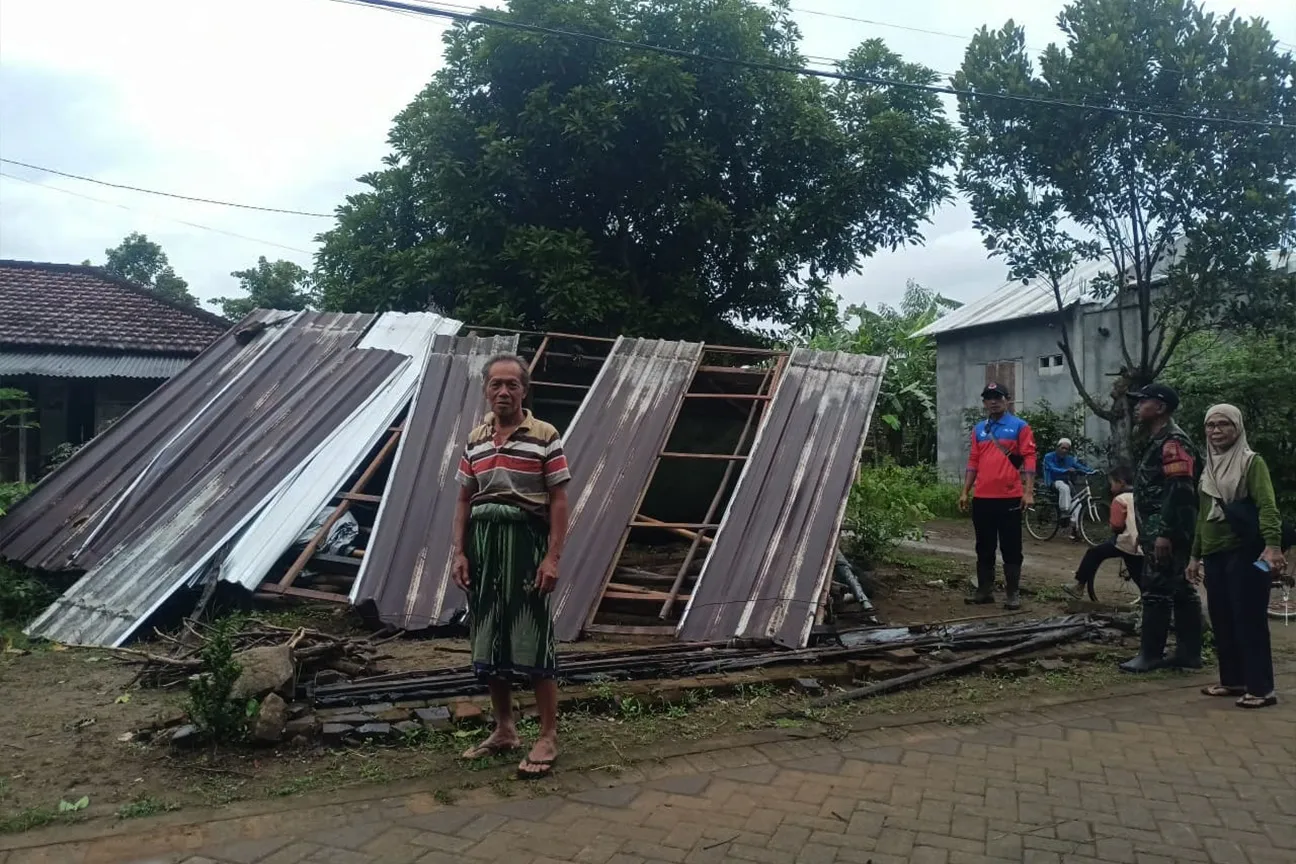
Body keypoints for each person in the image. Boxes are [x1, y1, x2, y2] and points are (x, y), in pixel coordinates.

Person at [452, 354, 571, 778]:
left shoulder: (545, 435)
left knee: (533, 634)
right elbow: (464, 499)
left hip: (525, 544)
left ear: (525, 390)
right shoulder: (475, 438)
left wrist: (552, 558)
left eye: (512, 385)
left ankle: (547, 735)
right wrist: (460, 552)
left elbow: (558, 500)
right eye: (496, 385)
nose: (503, 392)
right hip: (483, 547)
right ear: (486, 389)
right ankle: (504, 729)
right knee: (488, 635)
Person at [1188, 404, 1287, 709]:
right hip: (1216, 554)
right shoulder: (1209, 465)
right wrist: (1195, 556)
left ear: (1238, 428)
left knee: (1249, 620)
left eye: (1223, 424)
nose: (1216, 431)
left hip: (1247, 552)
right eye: (1210, 425)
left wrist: (1272, 546)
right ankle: (1233, 680)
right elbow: (1204, 516)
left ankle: (1262, 689)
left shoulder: (1250, 462)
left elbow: (1268, 506)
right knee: (1223, 618)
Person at [1122, 383, 1202, 673]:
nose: (1137, 406)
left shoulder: (1173, 442)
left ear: (1161, 407)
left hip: (1167, 531)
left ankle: (1151, 655)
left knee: (1156, 590)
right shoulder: (1158, 439)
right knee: (1180, 588)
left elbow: (1179, 489)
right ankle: (1189, 654)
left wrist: (1165, 532)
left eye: (1143, 401)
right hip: (1160, 529)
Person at [958, 382, 1037, 609]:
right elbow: (973, 461)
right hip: (982, 498)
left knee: (1011, 547)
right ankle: (984, 591)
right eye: (988, 398)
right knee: (984, 546)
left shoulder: (1020, 427)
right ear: (984, 402)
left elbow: (1029, 458)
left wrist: (1028, 492)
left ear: (1007, 400)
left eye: (997, 397)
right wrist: (965, 491)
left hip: (1010, 498)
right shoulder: (979, 430)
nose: (993, 401)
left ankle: (1013, 594)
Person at [1062, 465, 1143, 600]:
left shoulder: (1120, 499)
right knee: (1139, 574)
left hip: (1126, 541)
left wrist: (1114, 528)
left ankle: (1079, 585)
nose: (1111, 488)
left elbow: (1117, 526)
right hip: (1142, 542)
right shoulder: (1140, 496)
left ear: (1120, 483)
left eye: (1112, 484)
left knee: (1094, 553)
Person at [1042, 437, 1095, 539]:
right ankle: (1064, 512)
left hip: (1067, 482)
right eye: (1062, 448)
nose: (1064, 451)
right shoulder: (1049, 456)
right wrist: (1066, 470)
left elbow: (1079, 466)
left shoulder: (1069, 459)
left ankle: (1076, 530)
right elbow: (1053, 468)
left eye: (1067, 449)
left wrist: (1091, 471)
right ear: (1058, 447)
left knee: (1077, 505)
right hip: (1053, 482)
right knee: (1064, 488)